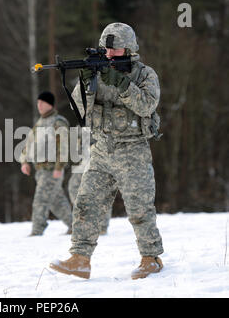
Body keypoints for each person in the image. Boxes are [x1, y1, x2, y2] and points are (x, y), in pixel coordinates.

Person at [50, 23, 164, 279]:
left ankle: (151, 258)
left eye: (116, 50)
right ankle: (80, 258)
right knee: (86, 202)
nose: (110, 55)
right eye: (106, 50)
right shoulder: (96, 72)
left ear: (130, 49)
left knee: (139, 208)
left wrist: (122, 84)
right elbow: (79, 108)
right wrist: (88, 82)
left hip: (133, 150)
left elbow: (147, 105)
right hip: (102, 149)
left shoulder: (145, 75)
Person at [20, 91, 72, 236]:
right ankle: (75, 226)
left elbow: (65, 146)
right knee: (57, 202)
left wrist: (59, 167)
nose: (39, 105)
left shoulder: (58, 122)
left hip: (52, 170)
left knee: (40, 200)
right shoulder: (39, 124)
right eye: (38, 103)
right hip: (41, 171)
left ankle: (37, 230)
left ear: (50, 104)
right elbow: (28, 145)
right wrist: (24, 161)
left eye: (42, 102)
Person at [67, 125, 116, 236]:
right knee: (73, 186)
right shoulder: (82, 119)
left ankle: (102, 226)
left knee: (102, 191)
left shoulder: (103, 115)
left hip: (101, 160)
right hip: (84, 161)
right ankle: (83, 221)